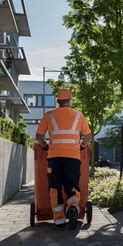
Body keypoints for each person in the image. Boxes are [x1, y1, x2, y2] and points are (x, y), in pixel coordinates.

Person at [36, 89, 91, 230]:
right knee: (72, 184)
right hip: (73, 157)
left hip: (54, 157)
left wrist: (44, 146)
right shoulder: (79, 115)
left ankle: (59, 219)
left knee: (55, 187)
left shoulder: (49, 115)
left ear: (58, 102)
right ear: (70, 100)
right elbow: (87, 136)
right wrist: (83, 146)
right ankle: (72, 208)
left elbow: (39, 136)